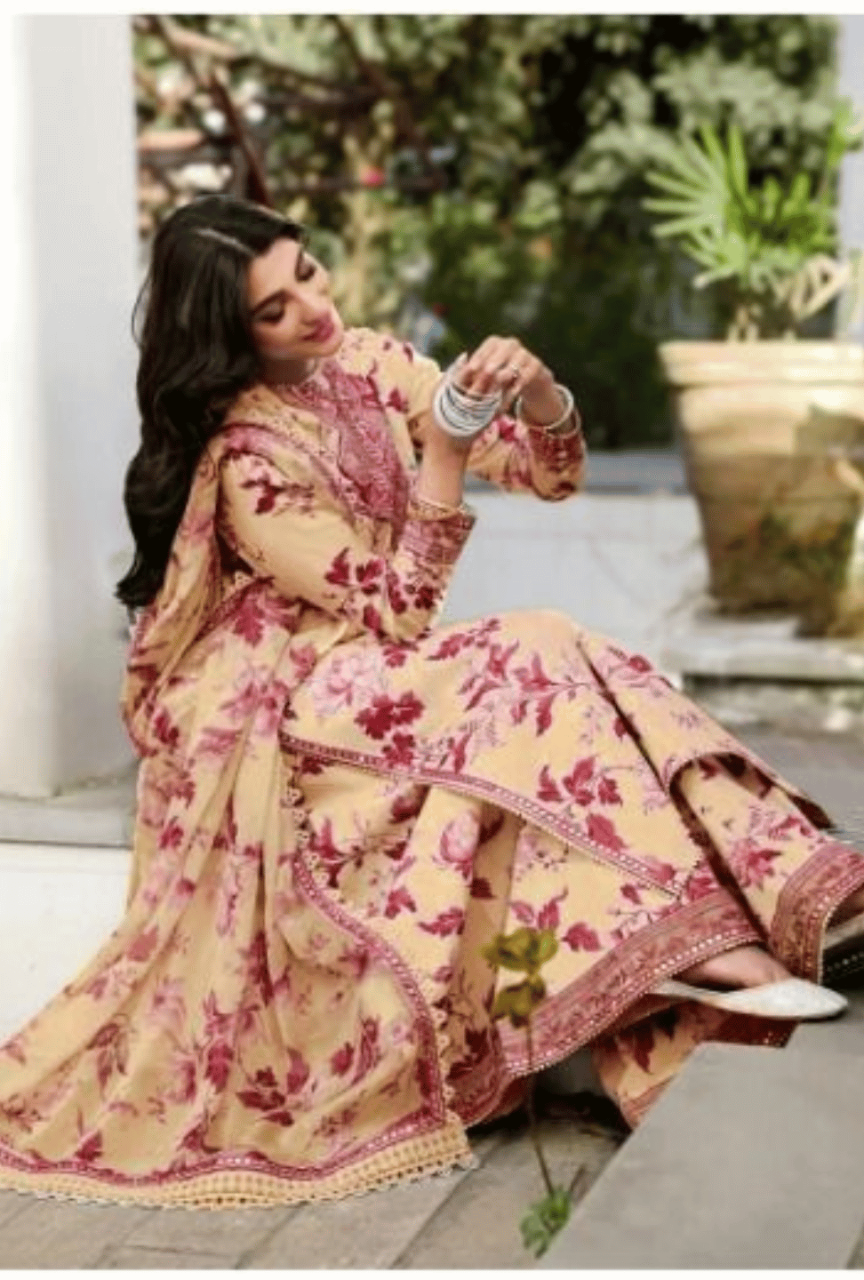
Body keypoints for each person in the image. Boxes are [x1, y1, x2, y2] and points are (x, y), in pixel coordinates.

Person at [0, 193, 863, 1210]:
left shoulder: (369, 363)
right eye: (274, 309)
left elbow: (546, 476)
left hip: (380, 669)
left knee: (561, 659)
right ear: (232, 335)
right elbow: (397, 608)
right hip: (296, 696)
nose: (312, 307)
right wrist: (444, 456)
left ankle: (787, 897)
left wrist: (540, 393)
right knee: (535, 647)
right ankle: (727, 941)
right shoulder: (246, 462)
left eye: (306, 272)